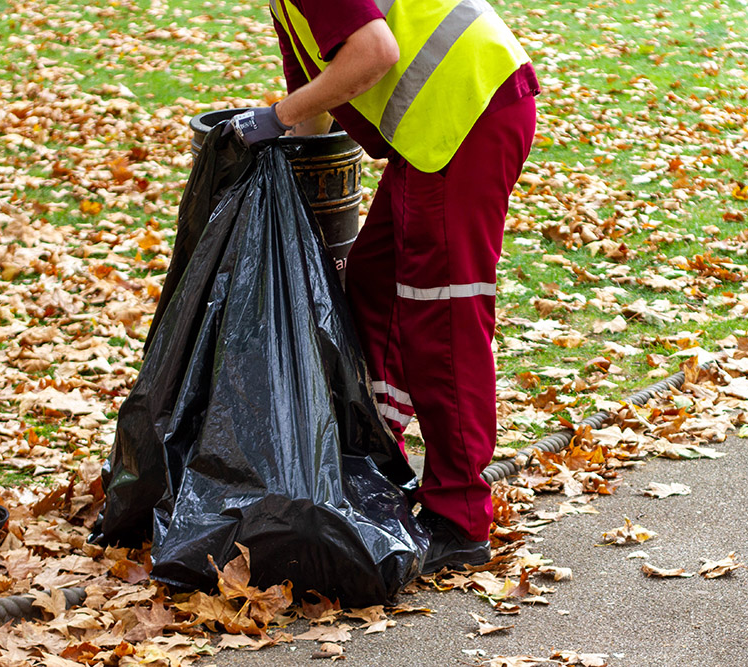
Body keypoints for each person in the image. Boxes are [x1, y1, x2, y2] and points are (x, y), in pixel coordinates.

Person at [228, 0, 539, 574]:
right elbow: (318, 99)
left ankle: (460, 518)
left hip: (466, 117)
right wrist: (273, 142)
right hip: (442, 125)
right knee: (374, 286)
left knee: (440, 318)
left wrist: (273, 117)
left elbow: (374, 53)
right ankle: (376, 454)